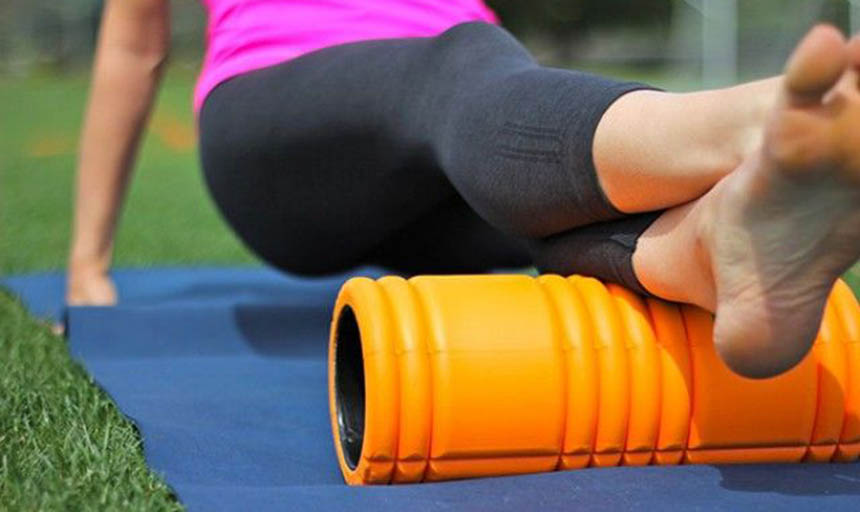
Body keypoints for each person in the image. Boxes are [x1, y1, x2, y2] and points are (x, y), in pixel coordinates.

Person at [66, 0, 860, 379]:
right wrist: (86, 267)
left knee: (544, 187)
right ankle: (757, 126)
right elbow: (134, 49)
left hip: (463, 134)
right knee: (457, 65)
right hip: (280, 127)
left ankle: (706, 249)